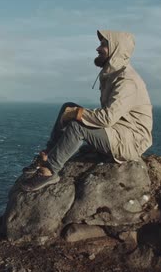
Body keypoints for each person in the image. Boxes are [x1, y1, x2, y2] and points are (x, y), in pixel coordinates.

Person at [21, 30, 153, 192]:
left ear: (116, 49)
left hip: (131, 140)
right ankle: (48, 154)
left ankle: (50, 171)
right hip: (118, 131)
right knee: (68, 106)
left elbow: (108, 118)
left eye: (104, 44)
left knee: (78, 126)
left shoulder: (127, 81)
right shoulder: (113, 74)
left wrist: (77, 114)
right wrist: (73, 112)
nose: (98, 48)